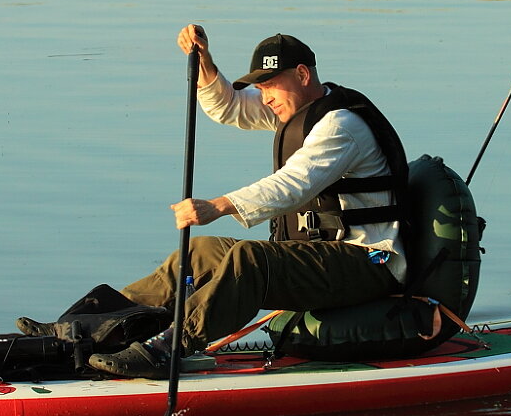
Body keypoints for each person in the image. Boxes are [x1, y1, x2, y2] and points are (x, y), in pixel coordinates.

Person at [20, 25, 409, 379]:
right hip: (321, 257)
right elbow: (230, 106)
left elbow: (295, 185)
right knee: (203, 252)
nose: (264, 96)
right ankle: (90, 327)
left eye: (270, 85)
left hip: (369, 261)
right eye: (261, 86)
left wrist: (218, 206)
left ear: (303, 76)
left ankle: (168, 347)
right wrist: (205, 64)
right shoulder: (296, 111)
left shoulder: (341, 126)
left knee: (249, 261)